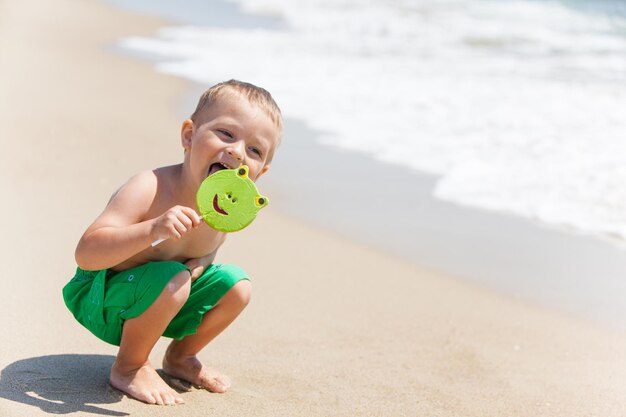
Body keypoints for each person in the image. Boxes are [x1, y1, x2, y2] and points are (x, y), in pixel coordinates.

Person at [62, 79, 283, 406]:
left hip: (162, 301)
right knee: (174, 279)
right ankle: (130, 366)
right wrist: (152, 230)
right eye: (226, 134)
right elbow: (87, 254)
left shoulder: (222, 209)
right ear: (189, 136)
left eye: (254, 150)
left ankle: (181, 357)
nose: (237, 151)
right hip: (101, 296)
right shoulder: (149, 187)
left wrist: (201, 265)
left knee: (237, 287)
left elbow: (207, 250)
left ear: (258, 174)